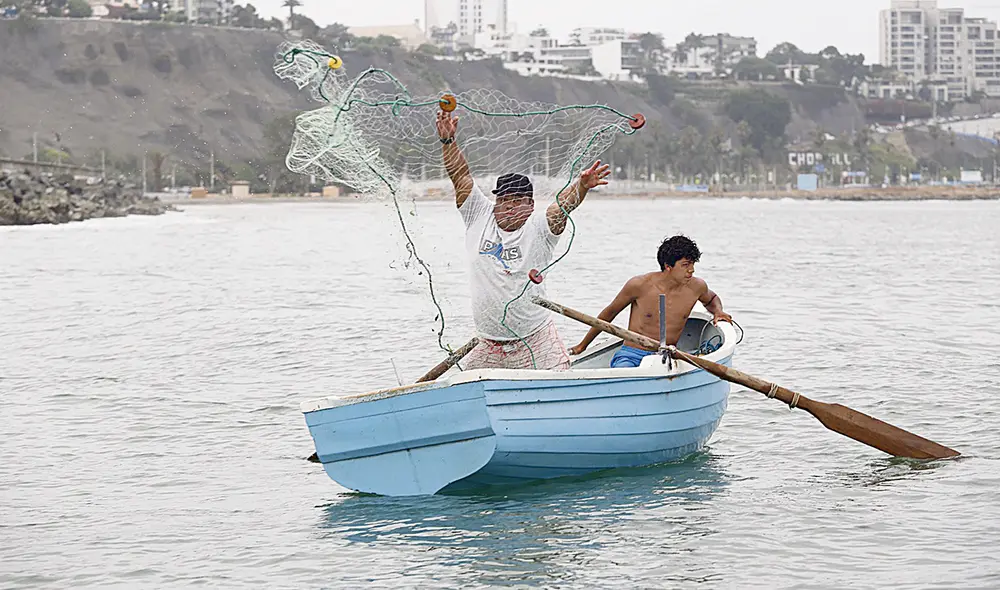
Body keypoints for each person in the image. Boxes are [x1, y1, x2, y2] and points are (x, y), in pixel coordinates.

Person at [436, 109, 610, 370]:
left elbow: (562, 207)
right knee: (463, 388)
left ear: (530, 204)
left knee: (559, 387)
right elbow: (460, 177)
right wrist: (448, 141)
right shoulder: (477, 214)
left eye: (517, 201)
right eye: (504, 200)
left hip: (536, 338)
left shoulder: (539, 226)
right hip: (488, 342)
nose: (509, 207)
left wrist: (582, 186)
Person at [569, 235, 733, 368]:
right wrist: (583, 345)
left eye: (692, 264)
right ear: (668, 266)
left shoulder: (696, 286)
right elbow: (609, 313)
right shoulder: (639, 285)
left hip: (668, 356)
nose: (691, 270)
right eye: (685, 265)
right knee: (624, 374)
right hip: (632, 354)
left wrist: (718, 311)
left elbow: (711, 299)